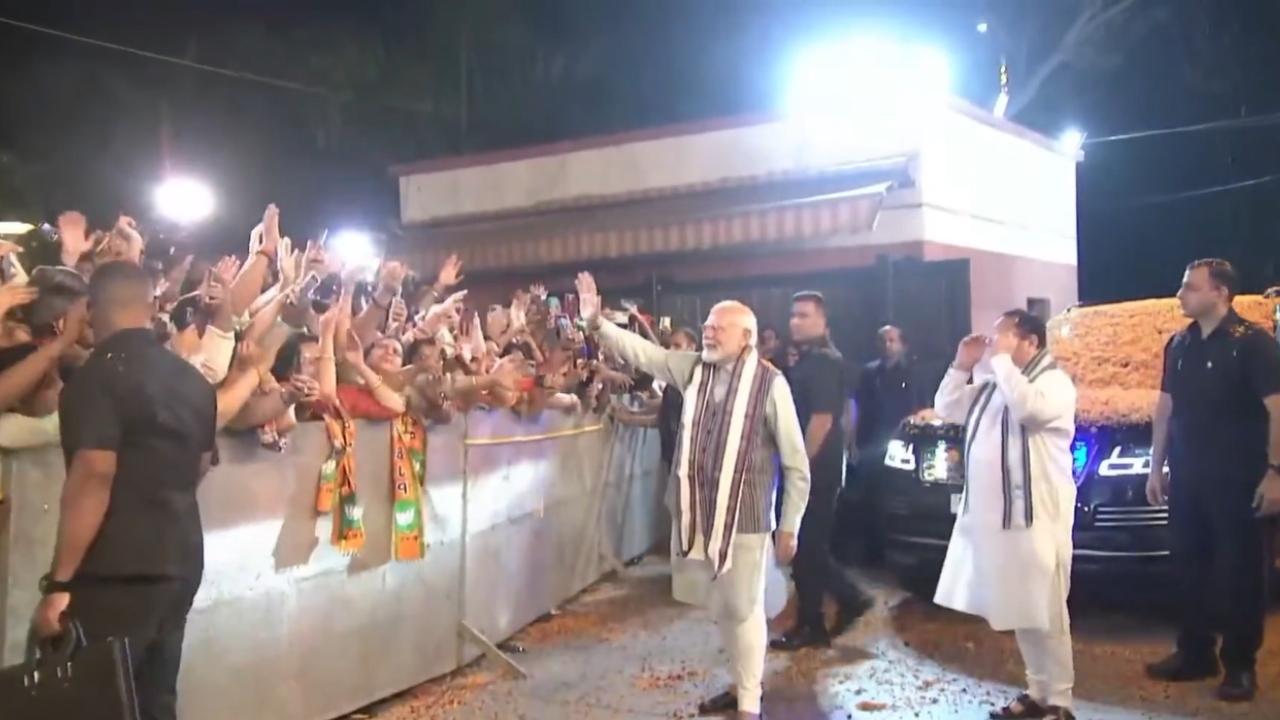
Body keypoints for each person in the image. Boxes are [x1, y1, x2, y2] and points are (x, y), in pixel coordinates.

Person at [575, 272, 809, 720]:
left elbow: (796, 463)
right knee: (723, 607)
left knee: (743, 607)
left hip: (747, 516)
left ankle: (749, 703)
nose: (708, 331)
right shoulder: (693, 369)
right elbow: (646, 353)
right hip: (698, 514)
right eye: (706, 324)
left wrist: (791, 523)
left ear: (746, 337)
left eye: (719, 326)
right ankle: (740, 684)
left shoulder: (769, 383)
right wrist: (597, 325)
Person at [31, 261, 218, 720]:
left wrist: (60, 584)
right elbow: (199, 465)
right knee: (155, 699)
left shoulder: (94, 380)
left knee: (100, 703)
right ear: (152, 306)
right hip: (180, 557)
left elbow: (94, 473)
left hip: (116, 569)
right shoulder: (194, 382)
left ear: (90, 310)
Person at [1144, 258, 1280, 703]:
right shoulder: (1179, 344)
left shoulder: (1253, 344)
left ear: (1220, 292)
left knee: (1240, 572)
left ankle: (1241, 665)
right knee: (1189, 564)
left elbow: (1277, 409)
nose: (1180, 294)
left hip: (1238, 476)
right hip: (1188, 474)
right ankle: (1195, 652)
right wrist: (1156, 464)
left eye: (1190, 287)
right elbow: (1166, 407)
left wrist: (1275, 473)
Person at [933, 310, 1078, 720]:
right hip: (1004, 518)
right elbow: (946, 406)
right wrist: (962, 365)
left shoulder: (1053, 383)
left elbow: (1029, 411)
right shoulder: (998, 384)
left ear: (1030, 342)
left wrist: (998, 363)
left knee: (1047, 607)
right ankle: (1037, 691)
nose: (995, 344)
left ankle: (1061, 701)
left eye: (1003, 337)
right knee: (1021, 606)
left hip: (1040, 514)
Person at [771, 291, 871, 651]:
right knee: (806, 549)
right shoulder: (810, 360)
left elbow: (823, 420)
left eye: (804, 315)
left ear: (823, 322)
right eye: (793, 314)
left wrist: (800, 467)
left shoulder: (825, 363)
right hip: (811, 467)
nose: (795, 321)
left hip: (814, 469)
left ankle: (818, 620)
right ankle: (831, 610)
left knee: (807, 548)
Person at [849, 325, 934, 563]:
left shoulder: (913, 373)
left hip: (901, 442)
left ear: (902, 344)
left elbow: (921, 407)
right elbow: (858, 406)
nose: (887, 345)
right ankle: (869, 551)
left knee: (895, 495)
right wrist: (853, 440)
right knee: (867, 495)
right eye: (883, 341)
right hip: (871, 440)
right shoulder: (869, 373)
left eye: (892, 340)